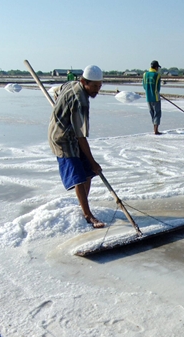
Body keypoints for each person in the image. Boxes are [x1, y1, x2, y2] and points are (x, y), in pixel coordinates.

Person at [48, 64, 106, 228]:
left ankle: (83, 205)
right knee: (78, 177)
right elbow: (81, 137)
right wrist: (93, 162)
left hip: (72, 134)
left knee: (88, 172)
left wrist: (60, 104)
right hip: (61, 137)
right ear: (84, 82)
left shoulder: (71, 84)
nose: (97, 90)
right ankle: (88, 215)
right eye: (94, 86)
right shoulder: (81, 102)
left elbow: (57, 90)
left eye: (99, 86)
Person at [143, 60, 162, 135]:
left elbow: (144, 86)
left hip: (148, 97)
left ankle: (154, 129)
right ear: (156, 67)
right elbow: (158, 88)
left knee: (152, 113)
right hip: (156, 97)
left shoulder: (145, 74)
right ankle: (156, 130)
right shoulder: (157, 75)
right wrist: (157, 93)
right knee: (157, 113)